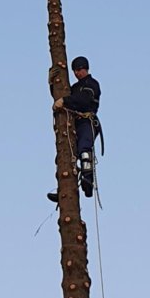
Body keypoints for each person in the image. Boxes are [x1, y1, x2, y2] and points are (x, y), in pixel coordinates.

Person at [48, 56, 102, 201]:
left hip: (86, 122)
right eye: (74, 71)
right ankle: (63, 189)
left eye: (79, 70)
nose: (76, 73)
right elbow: (62, 97)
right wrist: (52, 83)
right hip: (74, 123)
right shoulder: (75, 88)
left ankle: (87, 179)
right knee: (66, 155)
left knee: (84, 148)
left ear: (85, 68)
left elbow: (83, 100)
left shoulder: (92, 84)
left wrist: (65, 101)